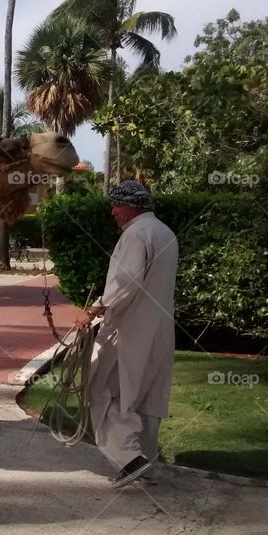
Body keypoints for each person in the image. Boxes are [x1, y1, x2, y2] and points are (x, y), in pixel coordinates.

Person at [76, 180, 179, 488]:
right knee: (146, 395)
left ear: (131, 206)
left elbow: (126, 281)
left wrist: (94, 310)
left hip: (128, 329)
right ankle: (147, 464)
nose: (113, 212)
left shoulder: (136, 234)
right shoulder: (165, 233)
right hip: (159, 330)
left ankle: (129, 457)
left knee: (101, 388)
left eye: (116, 206)